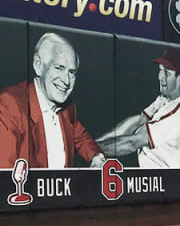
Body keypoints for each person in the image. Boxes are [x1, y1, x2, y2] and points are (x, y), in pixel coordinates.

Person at [0, 32, 105, 169]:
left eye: (71, 72)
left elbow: (81, 138)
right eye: (59, 68)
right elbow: (5, 178)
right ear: (38, 65)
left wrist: (96, 157)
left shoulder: (68, 107)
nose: (66, 81)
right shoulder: (10, 105)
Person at [96, 48, 180, 168]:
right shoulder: (164, 100)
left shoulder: (179, 114)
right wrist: (93, 144)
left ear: (179, 78)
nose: (160, 77)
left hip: (168, 182)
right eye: (160, 71)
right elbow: (137, 121)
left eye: (166, 73)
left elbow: (132, 143)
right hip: (154, 179)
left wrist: (90, 149)